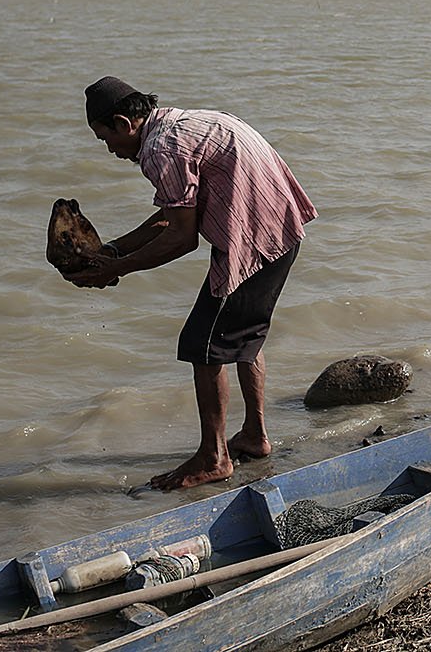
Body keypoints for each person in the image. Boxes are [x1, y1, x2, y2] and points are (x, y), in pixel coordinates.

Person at [65, 76, 316, 491]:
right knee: (242, 336)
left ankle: (214, 457)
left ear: (125, 123)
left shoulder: (160, 149)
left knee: (203, 344)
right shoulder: (182, 124)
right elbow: (172, 215)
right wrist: (112, 250)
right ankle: (254, 436)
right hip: (279, 231)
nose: (109, 149)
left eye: (104, 137)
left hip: (250, 240)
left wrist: (118, 269)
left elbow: (182, 237)